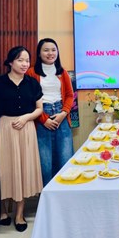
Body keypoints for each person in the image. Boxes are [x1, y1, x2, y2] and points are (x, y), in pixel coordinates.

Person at [0, 46, 44, 232]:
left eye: (27, 60)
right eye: (20, 60)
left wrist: (26, 118)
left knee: (23, 169)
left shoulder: (32, 83)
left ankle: (20, 214)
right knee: (4, 169)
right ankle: (2, 211)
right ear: (10, 62)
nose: (24, 64)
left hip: (26, 128)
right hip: (4, 128)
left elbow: (39, 109)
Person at [27, 38, 75, 186]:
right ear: (39, 53)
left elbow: (70, 95)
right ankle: (47, 196)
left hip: (61, 115)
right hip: (42, 117)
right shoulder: (31, 73)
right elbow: (29, 99)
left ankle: (65, 194)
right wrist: (44, 119)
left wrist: (63, 113)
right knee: (45, 164)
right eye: (46, 50)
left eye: (53, 50)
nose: (50, 53)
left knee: (65, 160)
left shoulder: (62, 72)